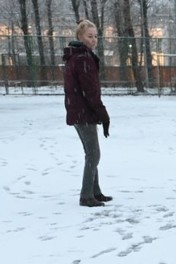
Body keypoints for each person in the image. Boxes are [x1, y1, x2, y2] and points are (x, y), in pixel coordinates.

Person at [63, 20, 112, 207]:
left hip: (78, 110)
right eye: (89, 36)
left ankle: (95, 192)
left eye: (95, 36)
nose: (93, 40)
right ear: (80, 37)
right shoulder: (83, 58)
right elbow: (90, 92)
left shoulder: (77, 56)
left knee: (91, 153)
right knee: (93, 154)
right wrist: (103, 115)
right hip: (83, 112)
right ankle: (86, 196)